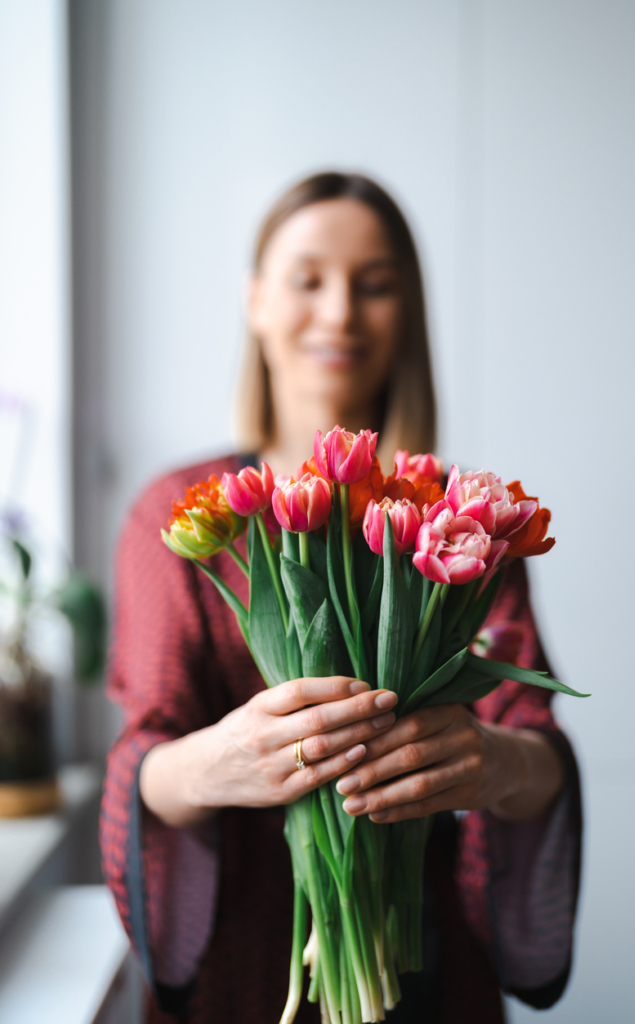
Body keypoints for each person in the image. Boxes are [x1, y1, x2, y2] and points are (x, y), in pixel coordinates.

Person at [101, 172, 581, 1024]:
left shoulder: (461, 520)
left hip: (432, 970)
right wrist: (221, 763)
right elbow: (150, 754)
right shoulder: (181, 518)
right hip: (246, 973)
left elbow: (532, 737)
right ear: (254, 300)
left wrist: (495, 761)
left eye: (375, 284)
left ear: (409, 312)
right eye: (307, 279)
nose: (339, 314)